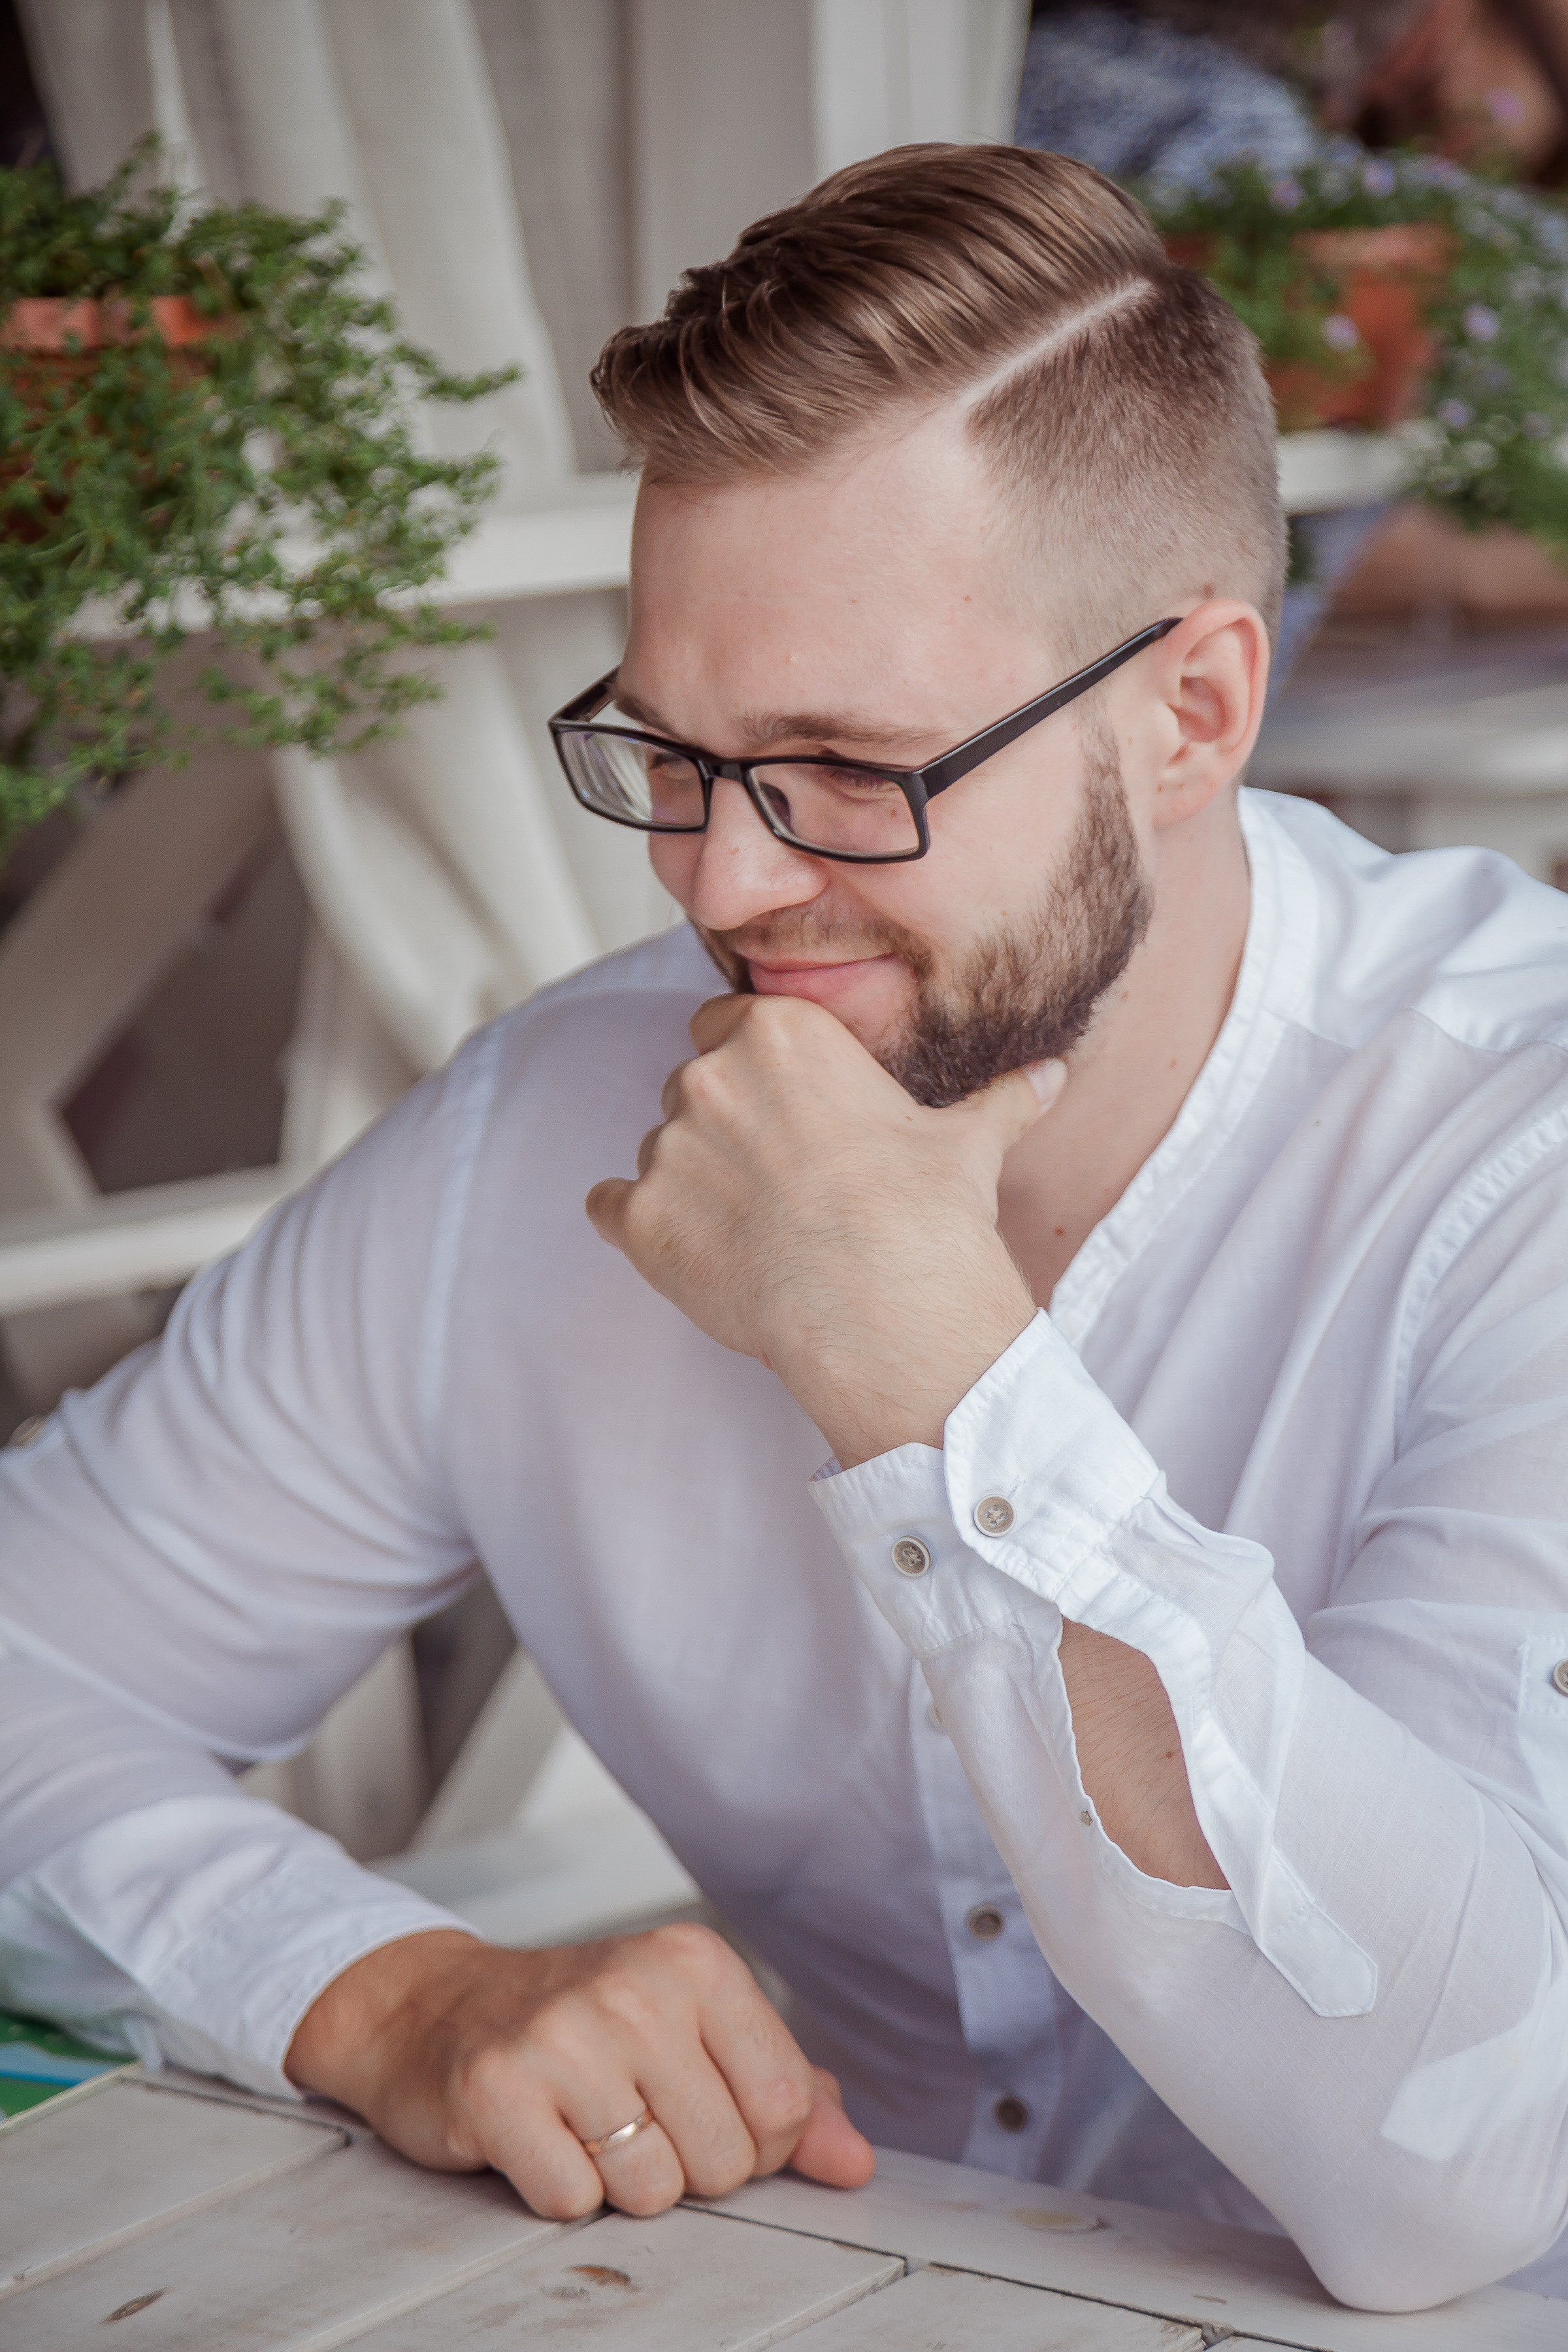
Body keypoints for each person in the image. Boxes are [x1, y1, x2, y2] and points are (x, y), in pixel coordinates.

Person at [1, 144, 1567, 2313]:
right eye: (676, 752)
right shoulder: (540, 1130)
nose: (722, 892)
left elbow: (1466, 2166)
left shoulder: (1521, 1160)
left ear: (1192, 710)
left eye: (847, 770)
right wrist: (378, 1992)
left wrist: (921, 1362)